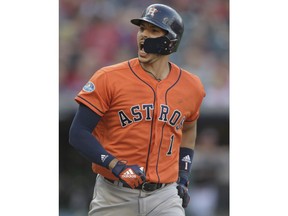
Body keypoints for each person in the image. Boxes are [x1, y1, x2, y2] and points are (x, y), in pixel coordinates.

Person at [69, 3, 206, 216]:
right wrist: (116, 166)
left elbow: (188, 129)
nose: (143, 35)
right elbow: (78, 133)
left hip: (165, 196)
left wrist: (184, 177)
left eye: (153, 30)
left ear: (170, 41)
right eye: (141, 29)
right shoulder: (108, 78)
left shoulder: (191, 86)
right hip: (114, 194)